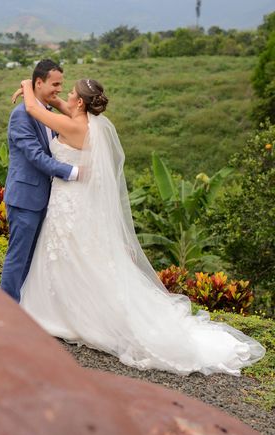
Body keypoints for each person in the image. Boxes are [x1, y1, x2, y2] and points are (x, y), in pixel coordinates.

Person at [14, 77, 265, 376]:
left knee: (71, 255)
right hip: (75, 202)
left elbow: (31, 107)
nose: (64, 95)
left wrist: (28, 85)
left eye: (70, 93)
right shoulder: (91, 126)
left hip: (69, 201)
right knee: (79, 255)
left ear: (80, 103)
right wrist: (57, 100)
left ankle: (66, 314)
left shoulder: (73, 126)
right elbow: (65, 112)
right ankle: (66, 309)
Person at [0, 60, 79, 303]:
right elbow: (36, 157)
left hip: (44, 198)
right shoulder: (21, 115)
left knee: (32, 258)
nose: (59, 89)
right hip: (25, 199)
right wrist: (74, 172)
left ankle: (24, 304)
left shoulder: (45, 113)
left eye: (61, 85)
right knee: (18, 257)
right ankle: (7, 307)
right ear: (39, 82)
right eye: (55, 84)